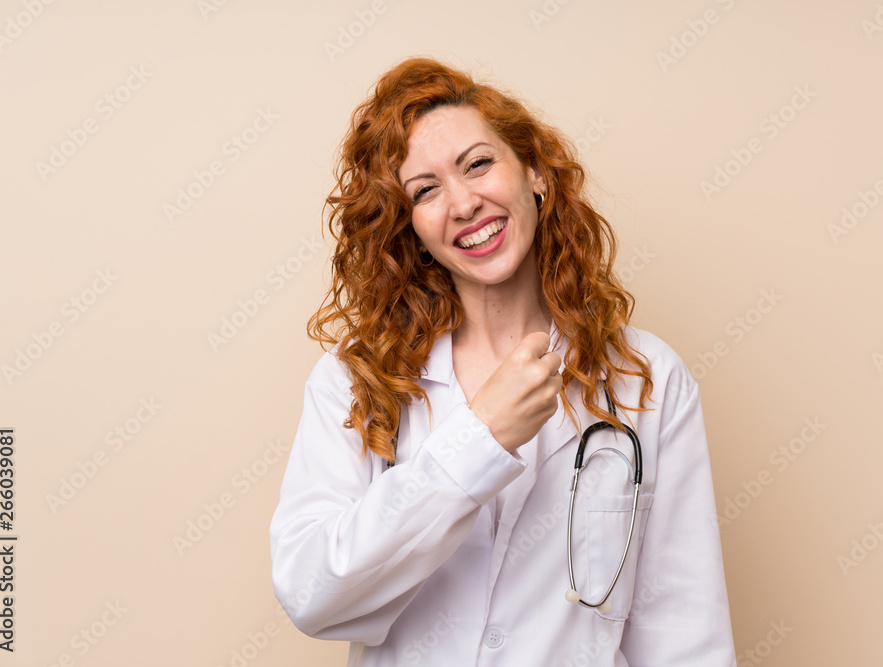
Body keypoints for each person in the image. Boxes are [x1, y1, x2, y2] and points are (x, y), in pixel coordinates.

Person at [270, 56, 736, 666]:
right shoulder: (357, 381)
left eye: (478, 164)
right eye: (426, 190)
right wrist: (478, 440)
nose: (462, 204)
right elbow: (313, 594)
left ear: (536, 173)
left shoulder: (646, 379)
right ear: (410, 227)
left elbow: (684, 630)